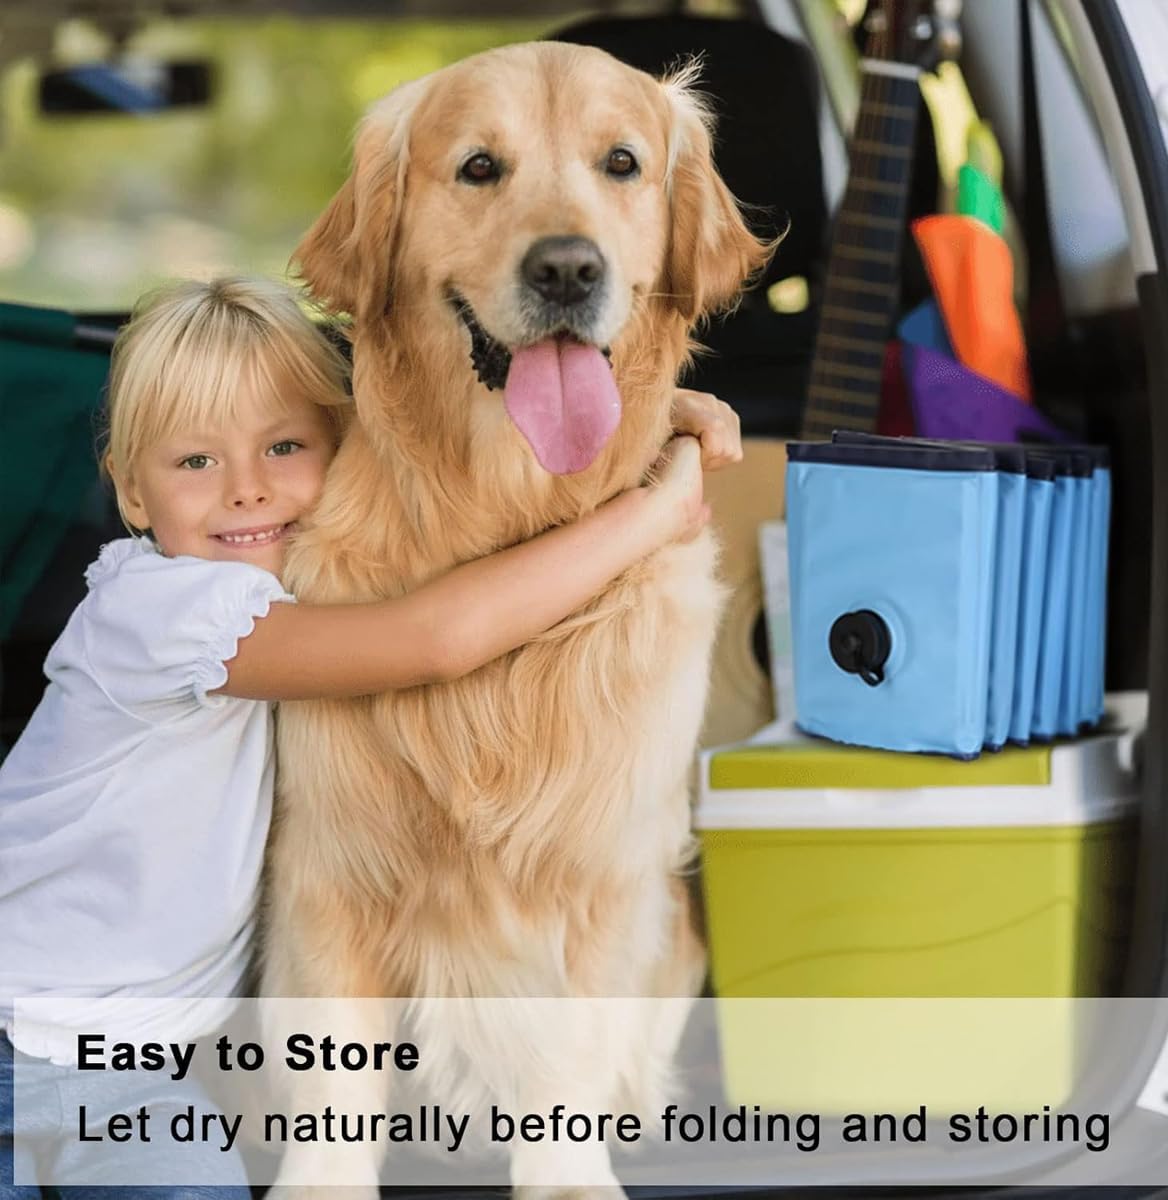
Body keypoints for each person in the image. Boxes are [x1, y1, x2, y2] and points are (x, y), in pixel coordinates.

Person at [0, 275, 742, 1198]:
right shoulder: (161, 613)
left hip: (132, 1077)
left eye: (283, 446)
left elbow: (431, 420)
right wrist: (651, 514)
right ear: (132, 495)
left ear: (345, 450)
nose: (246, 489)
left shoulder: (288, 587)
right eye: (194, 463)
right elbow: (437, 640)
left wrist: (622, 408)